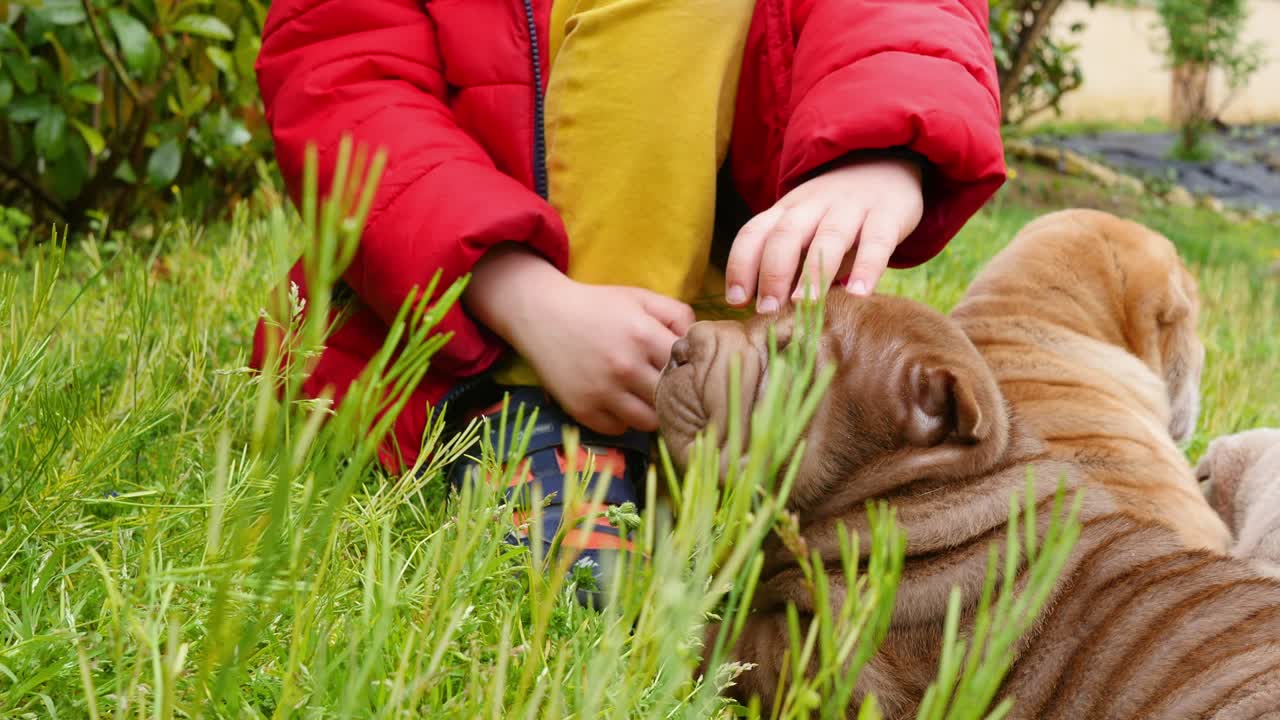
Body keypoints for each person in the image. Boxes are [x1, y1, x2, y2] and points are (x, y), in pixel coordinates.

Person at [253, 0, 1006, 604]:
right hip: (475, 331)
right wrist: (528, 300)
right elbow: (347, 86)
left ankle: (730, 429)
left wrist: (881, 151)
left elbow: (904, 14)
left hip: (734, 315)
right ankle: (550, 424)